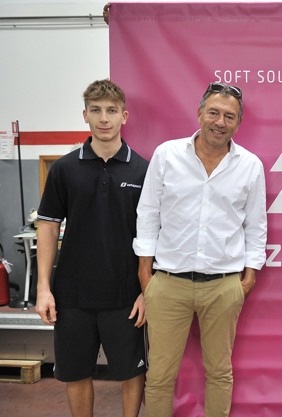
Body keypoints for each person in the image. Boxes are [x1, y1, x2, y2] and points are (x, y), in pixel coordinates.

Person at [133, 82, 267, 417]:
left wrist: (249, 276)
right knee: (159, 377)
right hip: (168, 283)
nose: (220, 122)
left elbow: (256, 225)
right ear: (199, 114)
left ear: (238, 123)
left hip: (224, 285)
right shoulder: (167, 155)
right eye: (214, 113)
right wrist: (145, 272)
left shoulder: (250, 165)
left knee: (220, 373)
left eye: (229, 116)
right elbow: (148, 213)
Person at [35, 79, 148, 417]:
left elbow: (154, 235)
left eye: (111, 110)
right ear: (85, 115)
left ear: (124, 116)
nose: (103, 118)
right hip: (72, 296)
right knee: (76, 373)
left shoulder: (144, 170)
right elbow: (47, 227)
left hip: (126, 296)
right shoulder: (64, 169)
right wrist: (44, 288)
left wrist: (148, 291)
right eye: (96, 110)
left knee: (132, 373)